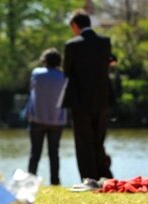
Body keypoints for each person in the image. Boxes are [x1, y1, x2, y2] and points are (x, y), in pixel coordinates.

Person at [62, 9, 114, 181]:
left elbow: (67, 72)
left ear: (75, 26)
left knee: (84, 142)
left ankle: (89, 178)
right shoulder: (105, 42)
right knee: (98, 141)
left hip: (80, 100)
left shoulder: (72, 45)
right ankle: (105, 176)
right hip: (103, 98)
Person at [25, 48, 67, 185]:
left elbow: (32, 91)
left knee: (35, 153)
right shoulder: (64, 76)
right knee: (54, 153)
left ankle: (30, 181)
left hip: (37, 118)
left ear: (44, 60)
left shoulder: (37, 73)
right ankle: (55, 181)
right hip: (57, 119)